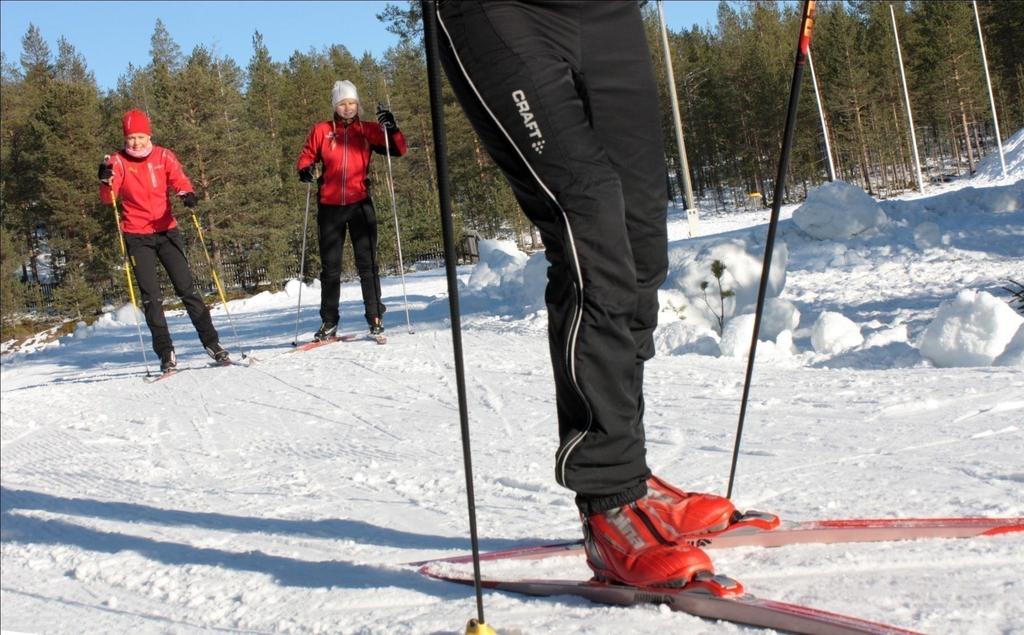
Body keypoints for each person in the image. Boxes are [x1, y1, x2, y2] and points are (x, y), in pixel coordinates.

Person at [435, 1, 749, 587]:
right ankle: (610, 499)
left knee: (639, 241)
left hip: (607, 14)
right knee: (590, 220)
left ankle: (634, 476)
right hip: (500, 13)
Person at [99, 109, 229, 373]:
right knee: (152, 298)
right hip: (137, 235)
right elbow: (108, 198)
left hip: (166, 230)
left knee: (188, 289)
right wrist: (105, 180)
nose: (135, 142)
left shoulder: (163, 156)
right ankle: (165, 351)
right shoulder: (118, 161)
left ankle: (212, 342)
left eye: (140, 136)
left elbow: (178, 178)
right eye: (130, 138)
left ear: (149, 135)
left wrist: (186, 193)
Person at [295, 80, 408, 341]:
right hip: (330, 208)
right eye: (343, 103)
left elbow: (398, 149)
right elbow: (307, 155)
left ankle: (375, 316)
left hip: (360, 205)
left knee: (367, 265)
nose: (348, 108)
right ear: (335, 105)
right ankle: (329, 321)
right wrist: (305, 169)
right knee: (331, 269)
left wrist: (392, 128)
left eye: (352, 103)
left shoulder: (368, 131)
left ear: (358, 105)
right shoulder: (321, 130)